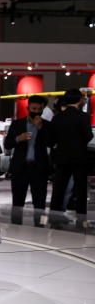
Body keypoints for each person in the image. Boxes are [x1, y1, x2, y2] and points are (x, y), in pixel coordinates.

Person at [48, 88, 93, 217]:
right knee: (80, 190)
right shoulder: (83, 117)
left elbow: (52, 138)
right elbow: (89, 136)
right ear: (80, 100)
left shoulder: (57, 117)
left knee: (58, 189)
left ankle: (54, 218)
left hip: (61, 157)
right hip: (79, 157)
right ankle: (81, 219)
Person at [4, 95, 50, 210]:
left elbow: (51, 142)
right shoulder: (17, 124)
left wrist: (41, 128)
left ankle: (40, 226)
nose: (36, 112)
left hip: (39, 168)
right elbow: (7, 144)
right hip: (20, 168)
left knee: (39, 203)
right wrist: (18, 139)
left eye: (40, 109)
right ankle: (15, 226)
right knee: (17, 203)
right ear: (28, 108)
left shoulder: (47, 125)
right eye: (34, 109)